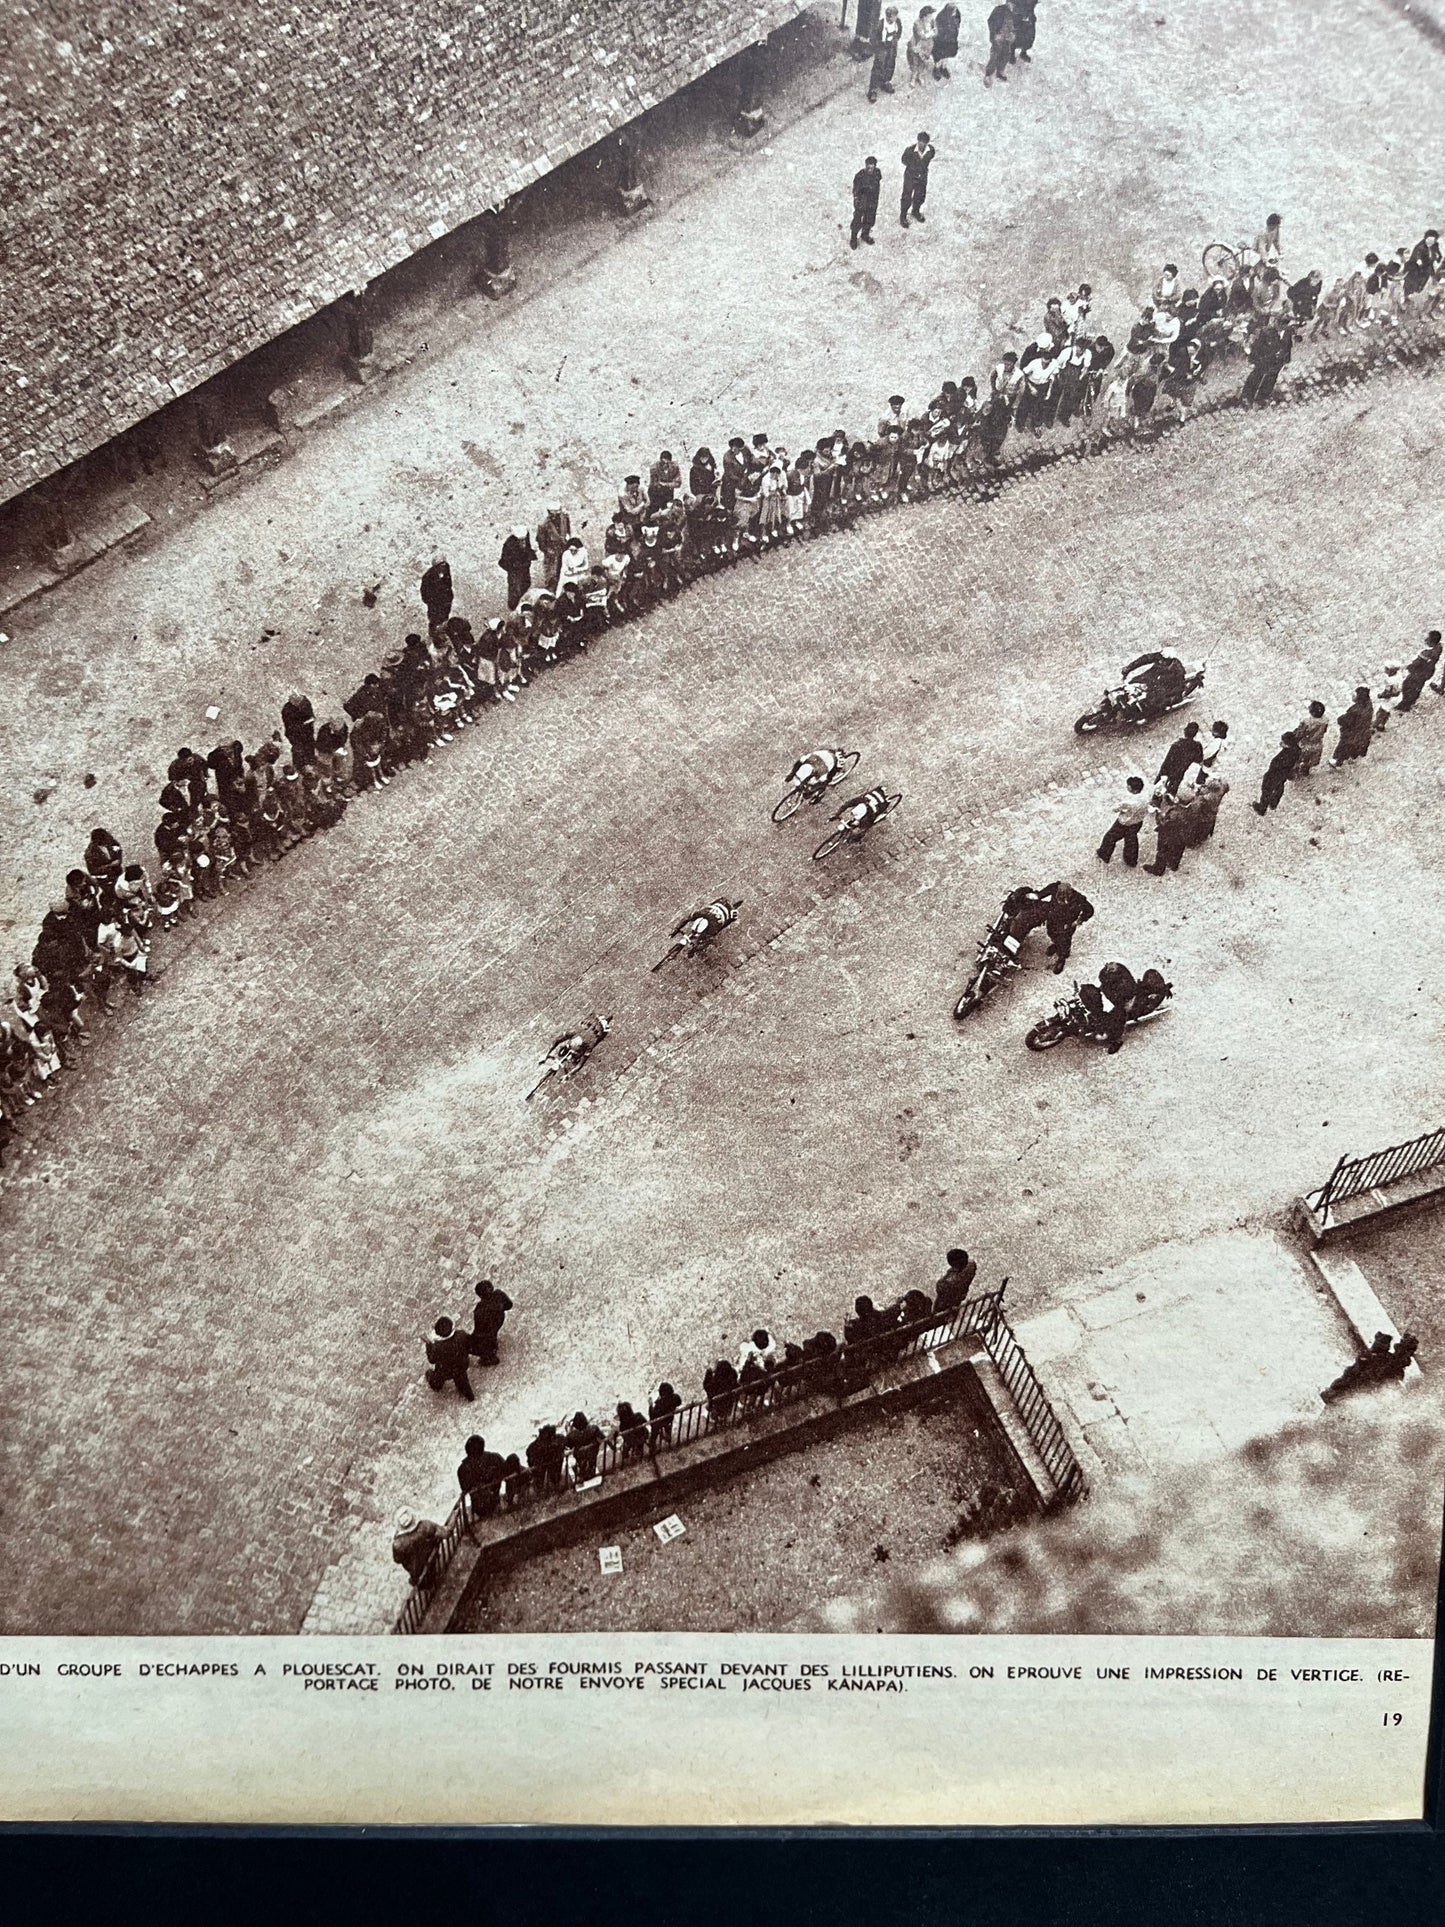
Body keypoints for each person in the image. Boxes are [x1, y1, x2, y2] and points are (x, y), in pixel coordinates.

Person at [1078, 960, 1138, 1054]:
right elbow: (1103, 982)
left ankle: (1115, 1041)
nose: (1108, 967)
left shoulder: (1124, 983)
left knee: (1112, 1020)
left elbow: (1125, 996)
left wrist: (1109, 1001)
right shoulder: (1107, 973)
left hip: (1124, 1000)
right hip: (1111, 994)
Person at [1097, 775, 1149, 868]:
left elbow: (1115, 809)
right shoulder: (1145, 798)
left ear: (1133, 789)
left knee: (1109, 838)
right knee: (1131, 841)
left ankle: (1104, 854)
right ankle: (1131, 860)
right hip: (1137, 823)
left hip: (1124, 823)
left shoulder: (1128, 802)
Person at [1120, 649, 1187, 717]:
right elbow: (1145, 659)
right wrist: (1128, 668)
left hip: (1164, 686)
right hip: (1152, 676)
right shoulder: (1159, 656)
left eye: (1164, 658)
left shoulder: (1177, 668)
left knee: (1152, 703)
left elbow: (1179, 685)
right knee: (1134, 681)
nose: (1161, 659)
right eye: (1162, 657)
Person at [424, 1315, 474, 1401]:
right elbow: (469, 1345)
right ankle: (469, 1395)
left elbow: (432, 1360)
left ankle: (436, 1385)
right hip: (461, 1366)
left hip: (444, 1370)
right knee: (462, 1380)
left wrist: (428, 1344)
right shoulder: (461, 1335)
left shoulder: (437, 1347)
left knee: (437, 1380)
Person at [457, 1435, 507, 1520]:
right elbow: (465, 1488)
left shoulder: (494, 1458)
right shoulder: (463, 1469)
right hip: (480, 1509)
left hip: (493, 1503)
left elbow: (508, 1470)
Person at [468, 1279, 514, 1366]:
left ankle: (488, 1356)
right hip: (498, 1321)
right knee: (491, 1333)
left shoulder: (480, 1308)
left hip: (487, 1331)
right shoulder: (499, 1294)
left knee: (466, 1341)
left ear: (480, 1295)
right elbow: (509, 1305)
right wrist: (499, 1308)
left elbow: (478, 1330)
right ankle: (491, 1348)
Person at [1253, 731, 1301, 814]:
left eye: (1283, 742)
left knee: (1267, 788)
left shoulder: (1289, 753)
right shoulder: (1294, 750)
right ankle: (1273, 803)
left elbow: (1282, 764)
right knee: (1279, 786)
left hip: (1276, 772)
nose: (1281, 743)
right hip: (1281, 773)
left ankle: (1263, 807)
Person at [392, 1508, 443, 1585]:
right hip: (432, 1558)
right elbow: (445, 1533)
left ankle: (419, 1582)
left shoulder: (398, 1544)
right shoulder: (426, 1526)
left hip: (416, 1571)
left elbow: (397, 1560)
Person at [1156, 721, 1204, 796]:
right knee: (1172, 790)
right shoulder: (1197, 746)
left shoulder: (1176, 745)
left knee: (1159, 790)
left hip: (1169, 770)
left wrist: (1160, 776)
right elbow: (1199, 759)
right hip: (1180, 772)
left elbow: (1167, 762)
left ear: (1185, 731)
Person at [1397, 633, 1442, 711]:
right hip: (1428, 672)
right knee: (1417, 687)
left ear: (1432, 642)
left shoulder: (1426, 653)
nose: (1426, 640)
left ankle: (1405, 705)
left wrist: (1406, 667)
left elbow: (1416, 663)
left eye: (1428, 639)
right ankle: (1410, 702)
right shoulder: (1438, 649)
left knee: (1407, 685)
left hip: (1419, 672)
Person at [1330, 687, 1374, 768]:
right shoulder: (1368, 705)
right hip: (1363, 733)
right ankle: (1353, 758)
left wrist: (1340, 719)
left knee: (1344, 747)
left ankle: (1337, 761)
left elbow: (1344, 721)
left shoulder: (1354, 711)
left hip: (1352, 734)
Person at [899, 132, 935, 227]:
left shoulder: (930, 151)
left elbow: (930, 157)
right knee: (907, 196)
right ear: (917, 141)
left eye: (924, 143)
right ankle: (903, 216)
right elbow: (904, 160)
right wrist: (914, 167)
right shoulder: (910, 150)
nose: (922, 145)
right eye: (920, 142)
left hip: (922, 177)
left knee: (920, 195)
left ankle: (915, 211)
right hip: (910, 176)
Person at [868, 6, 902, 99]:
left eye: (896, 16)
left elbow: (899, 31)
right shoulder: (880, 24)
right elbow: (873, 39)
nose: (896, 18)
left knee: (890, 64)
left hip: (892, 47)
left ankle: (886, 81)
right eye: (894, 16)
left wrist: (895, 40)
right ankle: (873, 89)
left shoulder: (897, 22)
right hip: (882, 47)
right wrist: (878, 47)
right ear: (888, 17)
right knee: (878, 66)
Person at [498, 526, 536, 609]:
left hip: (524, 568)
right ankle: (514, 606)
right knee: (515, 589)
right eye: (521, 540)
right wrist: (513, 569)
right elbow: (504, 561)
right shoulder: (509, 545)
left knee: (526, 584)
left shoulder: (526, 538)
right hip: (514, 570)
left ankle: (523, 603)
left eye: (523, 540)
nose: (523, 542)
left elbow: (528, 549)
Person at [525, 1423, 568, 1494]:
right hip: (555, 1474)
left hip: (541, 1476)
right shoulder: (559, 1440)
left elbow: (529, 1460)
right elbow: (566, 1442)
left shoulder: (533, 1447)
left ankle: (540, 1488)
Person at [536, 506, 571, 591]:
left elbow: (568, 531)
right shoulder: (543, 525)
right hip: (551, 552)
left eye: (558, 513)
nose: (556, 516)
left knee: (564, 570)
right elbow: (541, 541)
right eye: (554, 514)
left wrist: (567, 540)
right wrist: (547, 550)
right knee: (551, 574)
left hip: (563, 549)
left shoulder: (564, 518)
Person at [851, 155, 882, 248]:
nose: (870, 170)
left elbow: (877, 183)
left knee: (870, 219)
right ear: (865, 166)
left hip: (872, 201)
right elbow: (855, 191)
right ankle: (853, 238)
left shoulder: (877, 173)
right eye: (868, 167)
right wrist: (857, 201)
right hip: (862, 201)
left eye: (872, 167)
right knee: (857, 220)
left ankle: (865, 234)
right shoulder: (859, 176)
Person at [1291, 700, 1328, 776]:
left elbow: (1300, 732)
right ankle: (1305, 771)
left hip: (1305, 744)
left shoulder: (1307, 722)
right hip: (1317, 744)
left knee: (1299, 759)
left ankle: (1296, 772)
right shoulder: (1325, 721)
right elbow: (1324, 731)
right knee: (1309, 760)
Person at [565, 1411, 604, 1483]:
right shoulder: (594, 1428)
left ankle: (583, 1470)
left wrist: (569, 1431)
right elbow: (602, 1438)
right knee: (590, 1455)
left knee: (580, 1456)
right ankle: (591, 1469)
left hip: (580, 1456)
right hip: (592, 1453)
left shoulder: (572, 1435)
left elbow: (568, 1446)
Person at [281, 692, 316, 767]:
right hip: (294, 734)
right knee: (298, 749)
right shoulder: (287, 710)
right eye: (297, 703)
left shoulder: (305, 703)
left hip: (307, 731)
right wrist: (304, 723)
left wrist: (310, 720)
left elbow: (310, 714)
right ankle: (299, 766)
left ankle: (310, 762)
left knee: (309, 746)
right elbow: (290, 725)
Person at [420, 554, 453, 630]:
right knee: (435, 620)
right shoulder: (428, 576)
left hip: (445, 602)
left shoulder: (446, 571)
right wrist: (431, 601)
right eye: (441, 565)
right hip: (435, 603)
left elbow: (448, 584)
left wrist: (449, 597)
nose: (443, 567)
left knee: (444, 617)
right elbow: (424, 592)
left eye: (444, 565)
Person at [984, 0, 1015, 81]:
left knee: (1006, 54)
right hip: (998, 36)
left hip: (1007, 37)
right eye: (1012, 3)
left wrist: (1012, 34)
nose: (1013, 6)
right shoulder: (999, 9)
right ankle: (989, 73)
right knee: (995, 54)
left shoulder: (1013, 13)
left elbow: (1014, 25)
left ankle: (1000, 71)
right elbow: (990, 21)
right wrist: (995, 32)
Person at [649, 1380, 683, 1446]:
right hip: (669, 1419)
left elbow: (652, 1415)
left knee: (654, 1425)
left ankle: (652, 1443)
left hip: (660, 1422)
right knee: (665, 1423)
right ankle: (667, 1434)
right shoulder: (675, 1397)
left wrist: (650, 1405)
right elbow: (679, 1402)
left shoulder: (660, 1403)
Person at [907, 8, 935, 83]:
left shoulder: (932, 21)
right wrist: (930, 33)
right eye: (930, 16)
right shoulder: (917, 23)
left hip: (927, 46)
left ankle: (920, 76)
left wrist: (929, 34)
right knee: (915, 62)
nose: (931, 17)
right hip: (917, 45)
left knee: (923, 62)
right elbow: (922, 36)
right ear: (924, 16)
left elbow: (936, 31)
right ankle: (913, 78)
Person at [932, 2, 961, 74]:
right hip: (942, 41)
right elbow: (939, 31)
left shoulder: (956, 14)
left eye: (954, 11)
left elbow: (958, 22)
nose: (954, 13)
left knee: (947, 55)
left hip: (951, 40)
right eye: (953, 11)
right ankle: (936, 69)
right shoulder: (940, 17)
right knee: (939, 56)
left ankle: (943, 67)